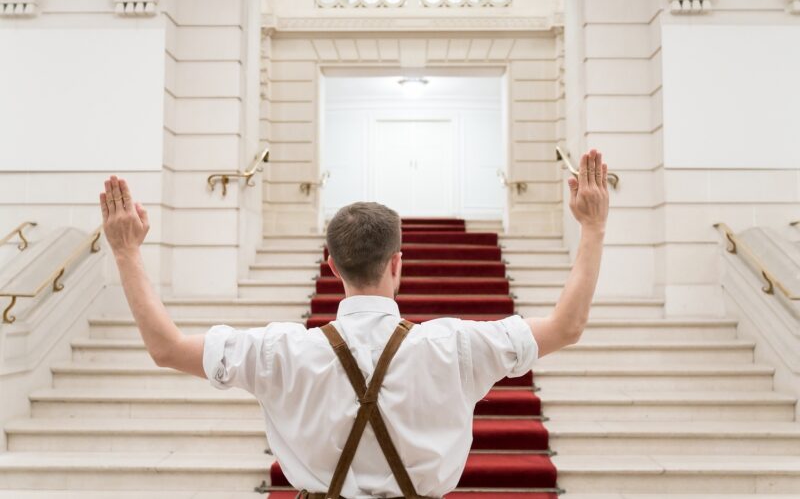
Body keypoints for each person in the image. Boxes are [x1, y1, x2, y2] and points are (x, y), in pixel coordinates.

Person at [99, 149, 609, 498]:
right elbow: (567, 326)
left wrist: (126, 251)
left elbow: (165, 348)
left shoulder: (279, 352)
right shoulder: (455, 345)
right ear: (397, 264)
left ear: (332, 266)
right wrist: (593, 226)